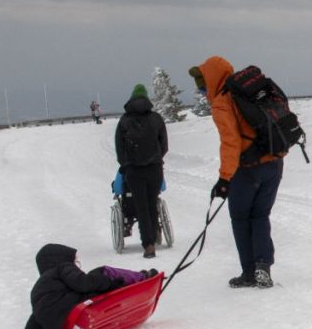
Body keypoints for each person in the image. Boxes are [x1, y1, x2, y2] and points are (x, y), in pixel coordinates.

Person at [190, 56, 283, 289]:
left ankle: (249, 272)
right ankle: (263, 266)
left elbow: (231, 142)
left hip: (248, 169)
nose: (202, 91)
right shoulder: (251, 91)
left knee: (240, 218)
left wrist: (224, 178)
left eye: (203, 86)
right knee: (260, 215)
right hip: (274, 162)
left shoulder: (223, 102)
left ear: (211, 80)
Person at [24, 243, 154, 329]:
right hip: (76, 313)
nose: (76, 265)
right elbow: (83, 283)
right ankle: (141, 278)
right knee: (102, 273)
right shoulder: (62, 267)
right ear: (62, 259)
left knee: (87, 290)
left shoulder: (39, 289)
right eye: (74, 261)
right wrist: (108, 283)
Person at [114, 83, 169, 259]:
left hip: (134, 171)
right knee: (152, 203)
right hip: (154, 168)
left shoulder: (124, 121)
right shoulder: (156, 118)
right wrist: (156, 158)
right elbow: (164, 145)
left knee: (141, 206)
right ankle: (154, 233)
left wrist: (126, 164)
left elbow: (119, 148)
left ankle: (148, 244)